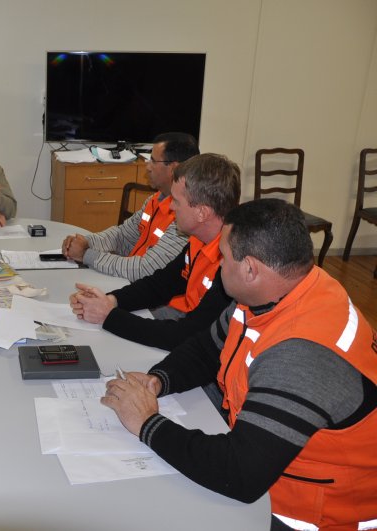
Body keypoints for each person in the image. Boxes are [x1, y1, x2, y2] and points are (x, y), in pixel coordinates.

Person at [103, 199, 377, 530]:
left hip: (309, 513)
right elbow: (207, 348)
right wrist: (158, 380)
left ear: (250, 269)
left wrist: (147, 422)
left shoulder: (302, 354)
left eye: (224, 258)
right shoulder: (280, 292)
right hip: (269, 471)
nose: (219, 267)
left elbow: (240, 473)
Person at [70, 153, 240, 351]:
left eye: (176, 201)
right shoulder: (199, 240)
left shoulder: (232, 262)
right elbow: (160, 285)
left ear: (202, 212)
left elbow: (188, 335)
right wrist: (110, 300)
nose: (170, 206)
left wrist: (109, 316)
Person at [61, 132, 198, 281]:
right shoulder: (154, 200)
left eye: (152, 161)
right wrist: (86, 242)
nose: (148, 166)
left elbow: (145, 269)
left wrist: (86, 255)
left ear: (173, 168)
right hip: (131, 283)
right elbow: (123, 237)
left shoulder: (186, 217)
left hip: (154, 298)